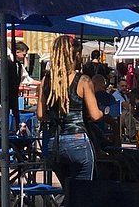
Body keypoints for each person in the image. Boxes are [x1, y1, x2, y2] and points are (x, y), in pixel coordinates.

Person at [36, 35, 103, 196]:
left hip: (54, 143)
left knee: (68, 192)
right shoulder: (83, 81)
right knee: (84, 194)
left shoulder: (47, 80)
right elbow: (95, 115)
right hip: (78, 141)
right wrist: (103, 113)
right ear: (76, 55)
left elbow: (40, 115)